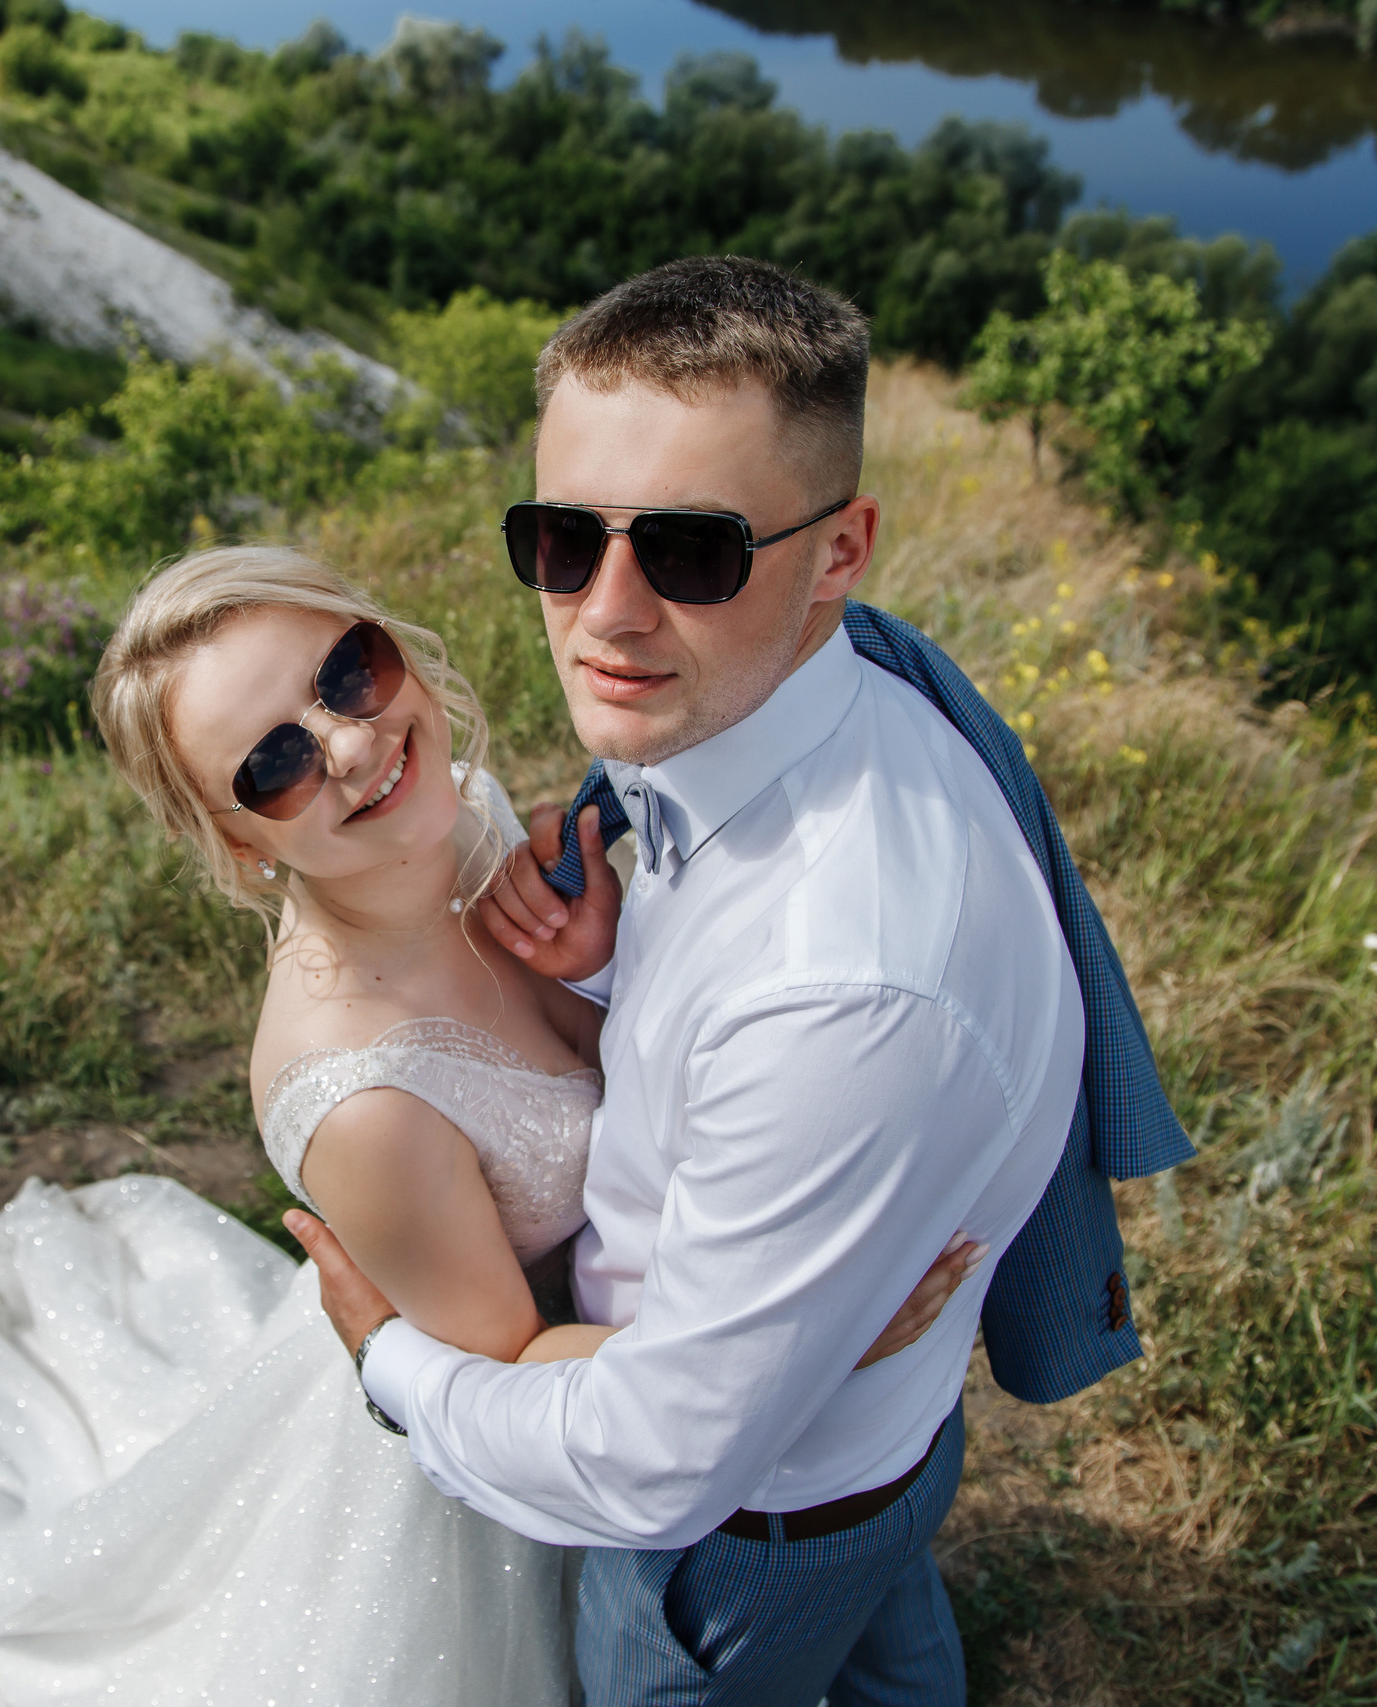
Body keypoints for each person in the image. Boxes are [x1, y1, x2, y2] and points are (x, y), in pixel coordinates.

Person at [0, 543, 975, 1705]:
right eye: (277, 765)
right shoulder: (360, 1099)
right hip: (524, 1454)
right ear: (244, 844)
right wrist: (804, 1319)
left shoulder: (470, 818)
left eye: (350, 669)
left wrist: (608, 962)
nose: (360, 742)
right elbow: (514, 1371)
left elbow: (648, 1073)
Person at [288, 256, 1191, 1706]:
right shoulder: (839, 690)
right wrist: (623, 960)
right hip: (883, 1426)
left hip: (758, 1527)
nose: (609, 614)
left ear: (840, 554)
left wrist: (391, 1360)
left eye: (696, 553)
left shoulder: (844, 986)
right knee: (903, 1656)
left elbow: (655, 1466)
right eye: (563, 539)